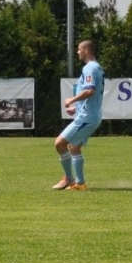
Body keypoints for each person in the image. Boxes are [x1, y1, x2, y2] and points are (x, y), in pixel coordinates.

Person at [53, 39, 103, 191]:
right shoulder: (97, 68)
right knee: (74, 148)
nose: (77, 52)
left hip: (87, 118)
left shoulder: (90, 68)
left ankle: (69, 179)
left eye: (79, 49)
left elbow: (90, 91)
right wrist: (77, 108)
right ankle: (80, 184)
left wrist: (71, 100)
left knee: (59, 143)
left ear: (86, 50)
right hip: (90, 115)